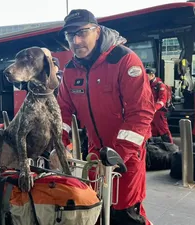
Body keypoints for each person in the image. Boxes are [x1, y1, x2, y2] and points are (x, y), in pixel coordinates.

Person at [57, 9, 154, 225]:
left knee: (126, 213)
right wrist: (60, 145)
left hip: (126, 158)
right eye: (70, 36)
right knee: (98, 211)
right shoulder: (71, 70)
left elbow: (141, 113)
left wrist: (117, 155)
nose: (76, 41)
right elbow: (62, 111)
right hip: (95, 158)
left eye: (82, 33)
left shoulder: (125, 60)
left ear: (97, 32)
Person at [146, 68, 173, 143]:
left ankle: (170, 146)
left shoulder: (160, 85)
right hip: (150, 111)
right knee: (151, 130)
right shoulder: (147, 84)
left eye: (146, 76)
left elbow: (162, 100)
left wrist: (154, 108)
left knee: (163, 130)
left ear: (152, 75)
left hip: (159, 112)